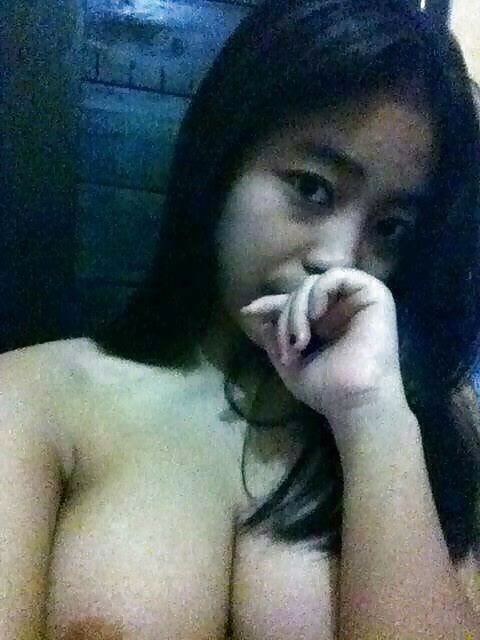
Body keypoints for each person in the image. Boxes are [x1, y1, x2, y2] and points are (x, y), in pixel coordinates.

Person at [1, 0, 479, 638]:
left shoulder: (434, 425)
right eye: (312, 187)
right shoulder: (36, 396)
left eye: (390, 228)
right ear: (221, 164)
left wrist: (372, 418)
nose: (341, 260)